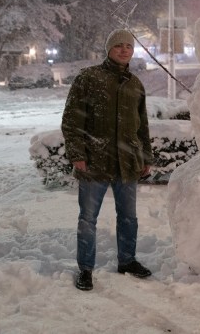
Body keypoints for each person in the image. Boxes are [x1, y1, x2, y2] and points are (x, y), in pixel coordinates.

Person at [62, 28, 154, 291]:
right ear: (109, 49)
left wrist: (145, 156)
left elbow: (142, 126)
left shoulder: (135, 84)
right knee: (88, 218)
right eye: (118, 46)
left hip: (127, 162)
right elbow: (71, 120)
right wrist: (78, 154)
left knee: (128, 217)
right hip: (94, 162)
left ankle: (127, 261)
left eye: (128, 46)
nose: (124, 50)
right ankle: (86, 269)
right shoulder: (89, 78)